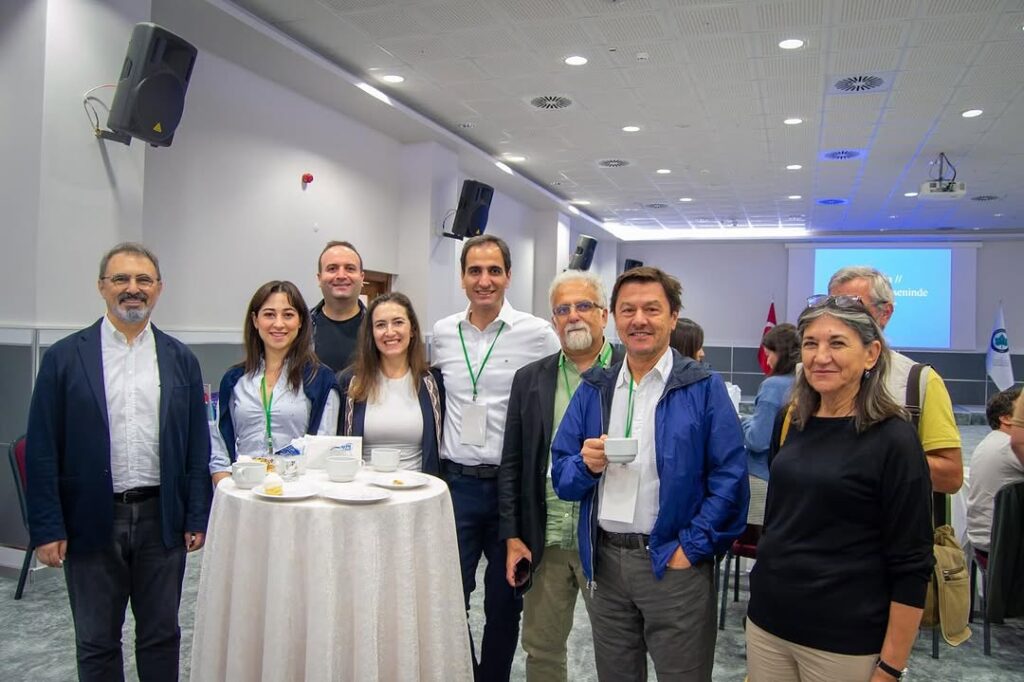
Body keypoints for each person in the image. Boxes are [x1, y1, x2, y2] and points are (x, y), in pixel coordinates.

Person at [551, 266, 748, 682]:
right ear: (613, 318)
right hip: (606, 566)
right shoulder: (595, 388)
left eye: (652, 309)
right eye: (628, 310)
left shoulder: (702, 387)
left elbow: (730, 480)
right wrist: (585, 465)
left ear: (673, 317)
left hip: (673, 564)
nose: (639, 319)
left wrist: (691, 548)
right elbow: (562, 475)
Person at [25, 243, 212, 682]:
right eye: (121, 279)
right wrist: (47, 527)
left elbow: (196, 445)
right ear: (101, 287)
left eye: (143, 279)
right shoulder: (64, 358)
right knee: (96, 642)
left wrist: (196, 515)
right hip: (90, 520)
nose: (133, 288)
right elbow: (42, 448)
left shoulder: (180, 359)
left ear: (159, 288)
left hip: (161, 520)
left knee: (161, 636)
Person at [746, 295, 934, 682]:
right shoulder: (791, 420)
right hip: (769, 623)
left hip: (844, 638)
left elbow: (912, 562)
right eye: (811, 344)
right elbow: (782, 519)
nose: (821, 357)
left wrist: (890, 667)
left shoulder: (894, 438)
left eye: (837, 343)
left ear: (871, 354)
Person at [432, 235, 560, 681]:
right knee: (449, 595)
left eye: (493, 271)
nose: (484, 280)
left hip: (511, 489)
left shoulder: (537, 334)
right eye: (474, 271)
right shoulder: (442, 333)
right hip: (457, 486)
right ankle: (465, 671)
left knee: (505, 600)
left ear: (508, 276)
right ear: (462, 277)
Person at [498, 270, 623, 681]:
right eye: (563, 309)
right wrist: (513, 534)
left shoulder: (631, 371)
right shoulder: (530, 379)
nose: (573, 316)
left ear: (603, 315)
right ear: (553, 321)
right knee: (542, 649)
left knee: (619, 652)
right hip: (546, 536)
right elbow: (512, 462)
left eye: (584, 306)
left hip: (608, 541)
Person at [828, 266, 962, 495]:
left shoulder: (918, 381)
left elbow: (951, 476)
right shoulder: (810, 376)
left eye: (853, 306)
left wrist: (874, 457)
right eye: (832, 307)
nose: (840, 317)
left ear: (885, 313)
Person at [210, 281, 339, 484]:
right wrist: (227, 487)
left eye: (288, 315)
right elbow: (219, 451)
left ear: (300, 321)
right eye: (269, 314)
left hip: (299, 491)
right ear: (255, 320)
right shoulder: (233, 380)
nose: (278, 324)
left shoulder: (321, 380)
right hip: (244, 489)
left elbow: (322, 452)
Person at [337, 292, 444, 474]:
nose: (390, 332)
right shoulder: (349, 382)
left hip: (418, 486)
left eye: (398, 322)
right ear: (371, 333)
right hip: (365, 487)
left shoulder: (433, 383)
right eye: (380, 325)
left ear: (412, 330)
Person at [966, 387, 1023, 554]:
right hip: (1001, 546)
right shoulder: (1007, 446)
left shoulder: (990, 442)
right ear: (1006, 418)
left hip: (984, 542)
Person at [743, 323, 799, 483]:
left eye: (768, 355)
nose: (767, 362)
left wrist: (740, 422)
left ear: (781, 354)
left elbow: (757, 440)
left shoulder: (773, 386)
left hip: (761, 475)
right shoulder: (803, 383)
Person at [312, 240, 367, 372]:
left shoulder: (378, 328)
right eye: (332, 269)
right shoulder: (300, 328)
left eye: (350, 268)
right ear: (319, 278)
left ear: (362, 278)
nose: (341, 276)